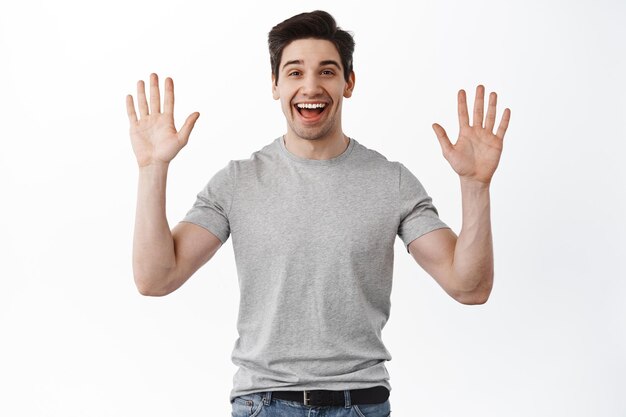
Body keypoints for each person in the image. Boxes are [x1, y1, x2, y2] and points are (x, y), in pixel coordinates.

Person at [126, 10, 510, 417]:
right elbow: (156, 278)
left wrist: (475, 186)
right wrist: (153, 169)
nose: (311, 86)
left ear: (349, 82)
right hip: (264, 404)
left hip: (360, 404)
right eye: (294, 72)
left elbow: (470, 287)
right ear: (275, 84)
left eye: (327, 71)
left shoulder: (390, 181)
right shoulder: (238, 182)